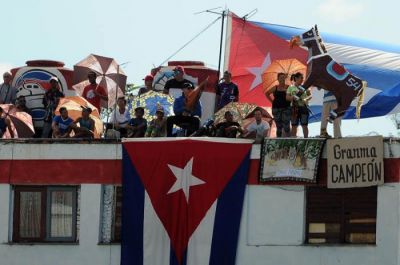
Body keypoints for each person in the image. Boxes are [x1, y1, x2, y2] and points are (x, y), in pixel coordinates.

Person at [265, 73, 291, 137]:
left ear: (285, 78)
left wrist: (287, 91)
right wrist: (272, 101)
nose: (282, 79)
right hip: (276, 108)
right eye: (280, 77)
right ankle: (278, 140)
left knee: (286, 125)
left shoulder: (288, 87)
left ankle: (288, 140)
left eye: (283, 77)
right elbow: (267, 93)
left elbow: (292, 95)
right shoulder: (275, 87)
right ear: (278, 79)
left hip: (286, 108)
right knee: (279, 126)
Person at [286, 72, 311, 138]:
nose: (302, 79)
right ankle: (293, 140)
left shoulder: (305, 87)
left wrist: (306, 99)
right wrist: (293, 97)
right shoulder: (291, 87)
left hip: (303, 107)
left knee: (304, 125)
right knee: (294, 125)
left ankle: (306, 139)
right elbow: (287, 97)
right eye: (301, 78)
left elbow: (310, 96)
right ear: (296, 78)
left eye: (303, 78)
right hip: (294, 108)